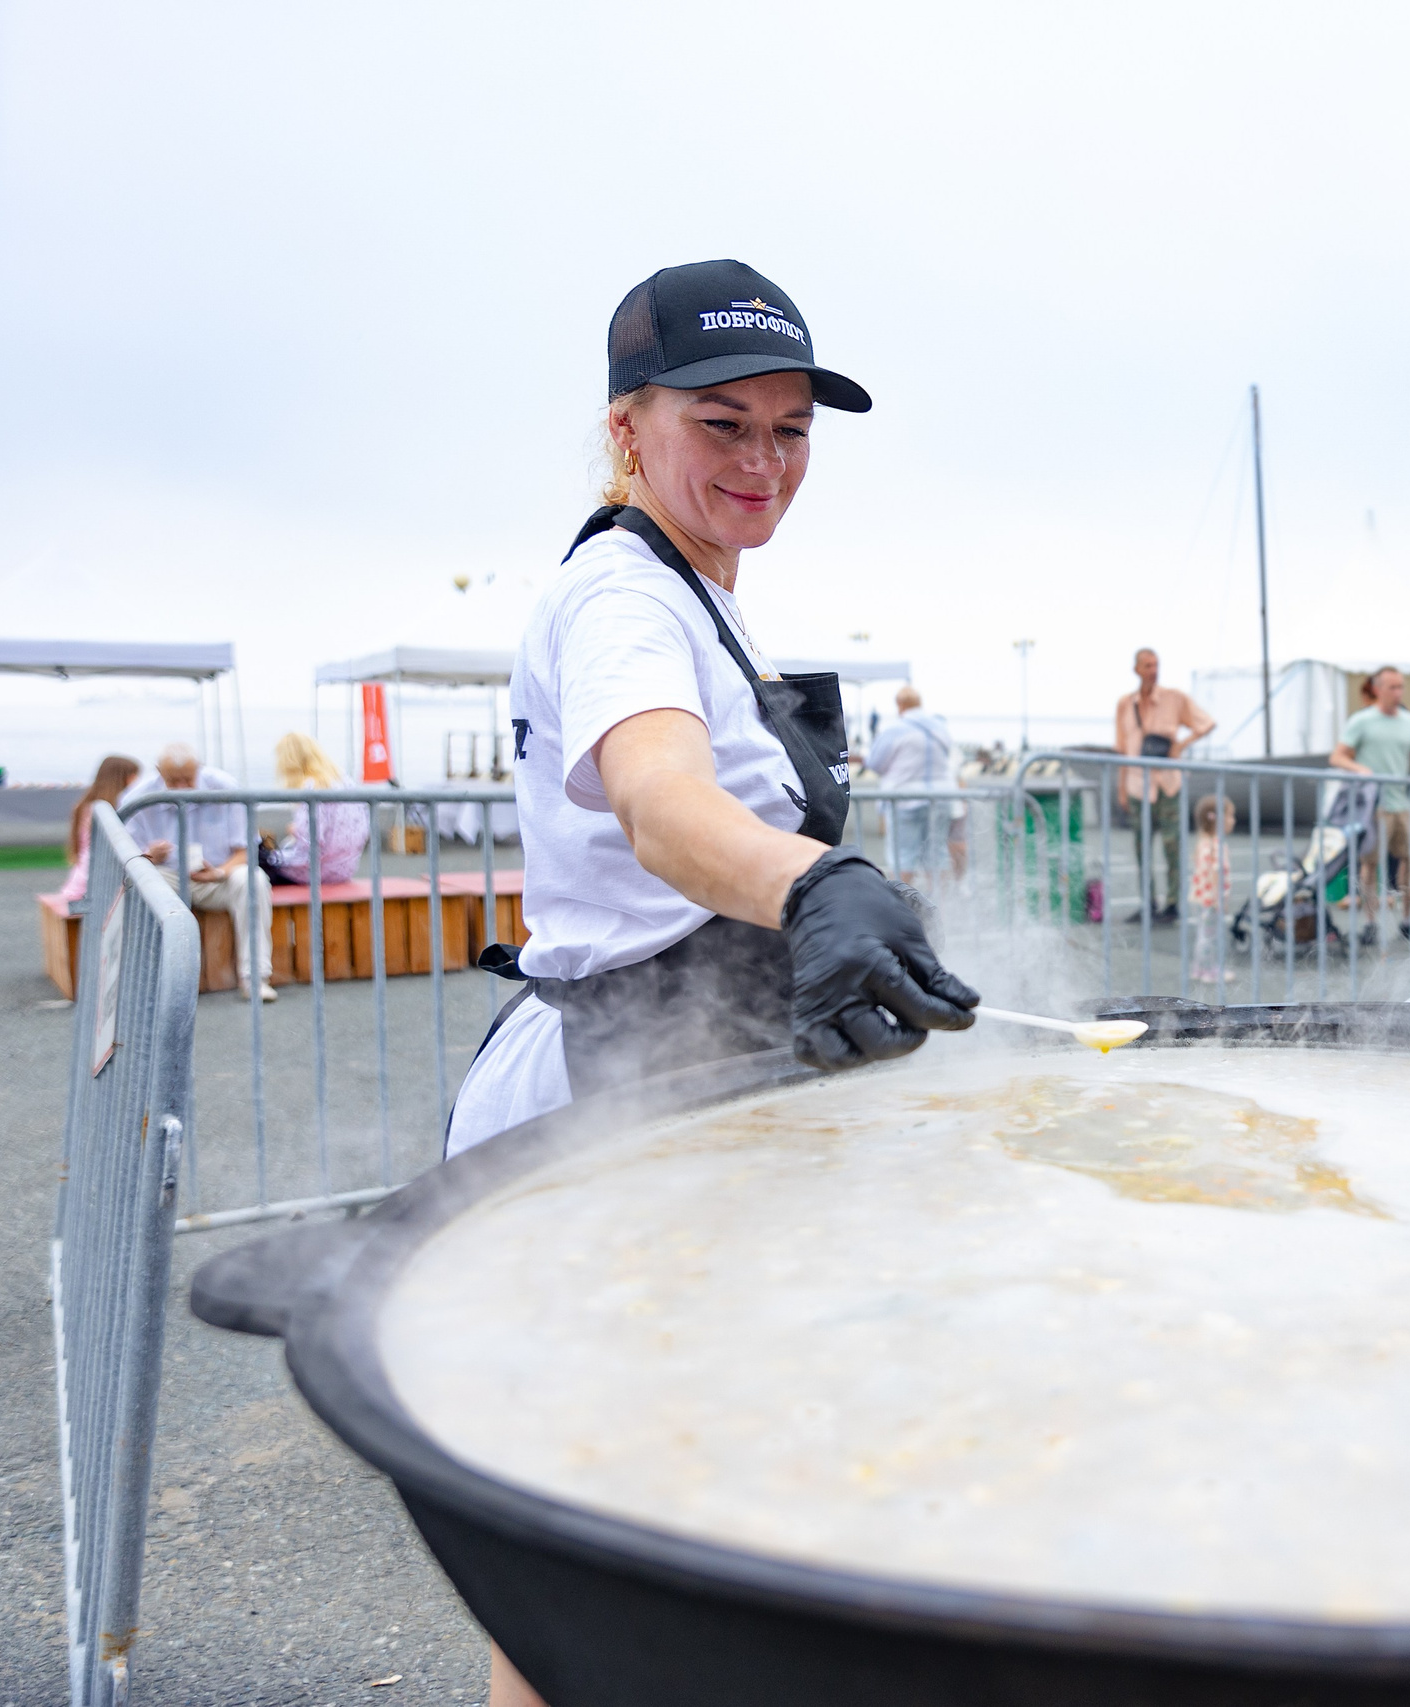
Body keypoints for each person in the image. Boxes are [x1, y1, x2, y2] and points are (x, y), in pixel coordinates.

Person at [440, 259, 981, 1707]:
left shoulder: (696, 591)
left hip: (707, 1083)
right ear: (630, 427)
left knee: (663, 1499)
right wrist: (811, 882)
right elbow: (664, 798)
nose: (762, 463)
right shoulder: (619, 597)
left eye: (791, 429)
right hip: (624, 1093)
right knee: (593, 1535)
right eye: (722, 424)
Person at [124, 742, 276, 1002]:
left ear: (200, 769)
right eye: (174, 781)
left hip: (217, 874)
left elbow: (245, 851)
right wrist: (149, 856)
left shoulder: (226, 788)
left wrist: (219, 873)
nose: (182, 787)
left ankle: (255, 978)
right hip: (165, 874)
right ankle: (158, 983)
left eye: (188, 779)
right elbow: (126, 857)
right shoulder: (136, 797)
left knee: (254, 880)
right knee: (144, 885)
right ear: (159, 772)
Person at [1115, 647, 1216, 923]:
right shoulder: (1126, 704)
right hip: (1138, 785)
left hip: (1168, 784)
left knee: (1173, 846)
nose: (1153, 670)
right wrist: (1121, 788)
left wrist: (1179, 747)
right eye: (1147, 665)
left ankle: (1172, 903)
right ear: (1136, 669)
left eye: (1156, 665)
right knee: (1141, 847)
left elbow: (1206, 723)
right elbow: (1122, 750)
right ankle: (1148, 903)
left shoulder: (1174, 699)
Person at [1331, 666, 1410, 941]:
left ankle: (1409, 920)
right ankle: (1370, 923)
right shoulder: (1361, 721)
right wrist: (1360, 769)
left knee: (1409, 860)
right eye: (1392, 687)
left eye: (1401, 687)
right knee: (1370, 863)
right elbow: (1338, 756)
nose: (1398, 692)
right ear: (1378, 689)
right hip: (1373, 805)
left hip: (1402, 805)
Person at [866, 685, 957, 886]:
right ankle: (942, 910)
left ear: (900, 705)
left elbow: (875, 763)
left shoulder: (895, 730)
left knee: (902, 856)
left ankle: (903, 908)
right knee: (937, 855)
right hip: (940, 797)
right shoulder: (939, 728)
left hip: (904, 799)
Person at [266, 731, 370, 886]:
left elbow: (312, 839)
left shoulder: (312, 787)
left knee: (254, 870)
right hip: (344, 868)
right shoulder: (344, 782)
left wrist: (295, 830)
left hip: (316, 871)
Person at [58, 754, 141, 906]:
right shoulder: (113, 811)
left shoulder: (86, 806)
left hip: (80, 882)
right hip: (97, 887)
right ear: (127, 778)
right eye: (135, 777)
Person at [1187, 794, 1234, 982]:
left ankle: (1199, 968)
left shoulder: (1204, 842)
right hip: (1211, 899)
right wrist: (1220, 899)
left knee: (1203, 934)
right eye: (1230, 816)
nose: (1233, 820)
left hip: (1200, 897)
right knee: (1209, 937)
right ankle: (1209, 970)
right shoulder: (1216, 845)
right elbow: (1216, 872)